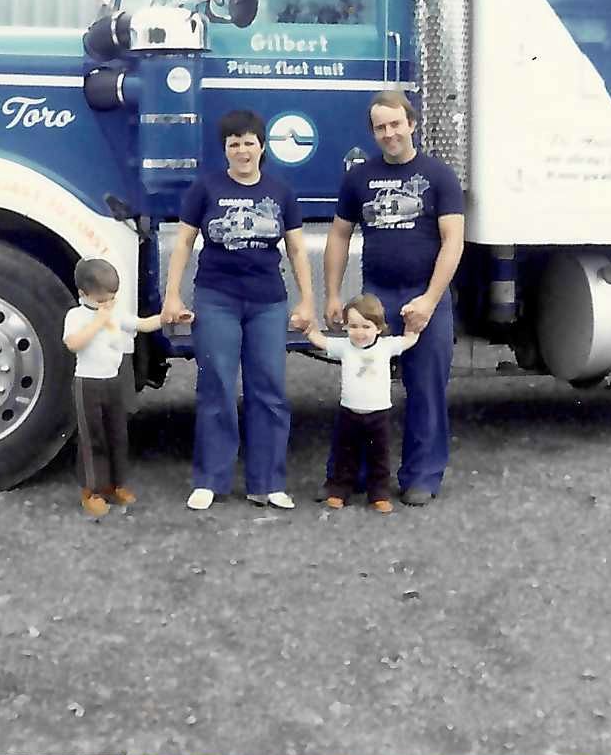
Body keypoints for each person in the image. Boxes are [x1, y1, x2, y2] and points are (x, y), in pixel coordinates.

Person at [160, 110, 315, 511]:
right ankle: (211, 479)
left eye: (249, 142)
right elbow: (182, 244)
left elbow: (296, 248)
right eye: (234, 143)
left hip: (268, 302)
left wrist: (308, 300)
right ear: (224, 149)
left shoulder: (281, 192)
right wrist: (172, 295)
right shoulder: (205, 189)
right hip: (217, 299)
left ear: (262, 147)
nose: (242, 150)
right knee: (217, 387)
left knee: (270, 391)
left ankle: (267, 482)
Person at [322, 90, 465, 505]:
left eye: (395, 124)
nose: (389, 133)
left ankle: (422, 476)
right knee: (365, 390)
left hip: (426, 297)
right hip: (376, 301)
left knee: (426, 389)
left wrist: (429, 301)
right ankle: (364, 476)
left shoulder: (439, 176)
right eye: (381, 127)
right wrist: (333, 294)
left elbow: (452, 241)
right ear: (374, 132)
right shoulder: (359, 178)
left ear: (412, 124)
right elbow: (338, 234)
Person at [63, 258, 164, 518]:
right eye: (101, 301)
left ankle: (115, 484)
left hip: (112, 381)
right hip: (88, 383)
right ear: (83, 294)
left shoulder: (115, 314)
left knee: (117, 435)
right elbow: (73, 343)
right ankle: (92, 490)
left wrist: (166, 318)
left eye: (112, 299)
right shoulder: (76, 316)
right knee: (92, 437)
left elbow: (141, 324)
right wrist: (98, 321)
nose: (107, 305)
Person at [305, 294, 418, 514]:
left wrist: (412, 322)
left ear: (378, 328)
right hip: (349, 413)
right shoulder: (344, 346)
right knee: (345, 455)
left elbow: (410, 339)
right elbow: (320, 341)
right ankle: (339, 490)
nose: (360, 332)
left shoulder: (387, 346)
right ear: (346, 327)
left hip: (379, 415)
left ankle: (379, 494)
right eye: (353, 326)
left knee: (379, 457)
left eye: (366, 326)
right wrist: (308, 328)